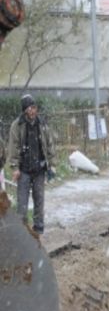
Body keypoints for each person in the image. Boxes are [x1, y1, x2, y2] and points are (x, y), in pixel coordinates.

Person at [7, 94, 56, 235]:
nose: (33, 111)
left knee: (39, 200)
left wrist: (52, 165)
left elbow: (50, 144)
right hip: (24, 170)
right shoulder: (17, 126)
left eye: (34, 107)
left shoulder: (42, 123)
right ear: (24, 111)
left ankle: (38, 229)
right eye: (29, 108)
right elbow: (13, 148)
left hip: (39, 169)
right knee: (22, 204)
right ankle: (22, 231)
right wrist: (15, 168)